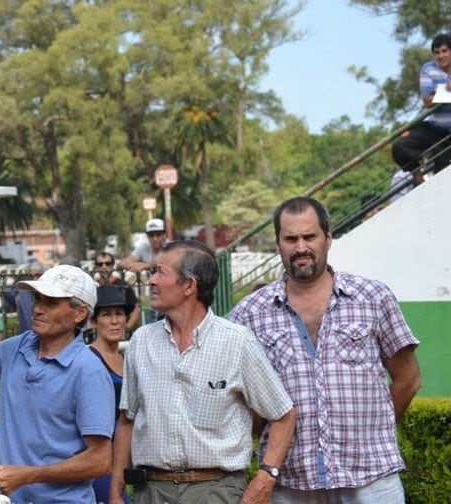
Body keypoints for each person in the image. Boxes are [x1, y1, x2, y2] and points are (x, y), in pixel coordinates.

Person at [230, 196, 422, 503]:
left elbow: (408, 379)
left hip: (372, 478)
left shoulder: (373, 298)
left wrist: (375, 432)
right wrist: (272, 442)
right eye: (290, 238)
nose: (301, 247)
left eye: (310, 236)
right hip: (292, 481)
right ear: (278, 243)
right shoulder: (249, 314)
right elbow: (243, 399)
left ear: (328, 238)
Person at [109, 241, 296, 504]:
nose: (151, 281)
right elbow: (127, 420)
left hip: (217, 491)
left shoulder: (236, 342)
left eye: (161, 272)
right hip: (151, 492)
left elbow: (283, 415)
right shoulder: (141, 342)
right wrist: (116, 493)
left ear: (189, 286)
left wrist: (266, 477)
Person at [0, 265, 115, 503]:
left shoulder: (88, 370)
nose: (38, 309)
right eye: (38, 299)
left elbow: (100, 461)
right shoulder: (16, 347)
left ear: (80, 313)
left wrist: (28, 475)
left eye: (51, 303)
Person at [88, 285, 135, 504]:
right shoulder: (88, 360)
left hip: (128, 462)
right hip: (101, 463)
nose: (115, 321)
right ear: (93, 321)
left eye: (119, 314)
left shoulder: (127, 360)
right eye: (106, 314)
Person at [392, 33, 451, 179]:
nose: (441, 56)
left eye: (444, 51)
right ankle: (418, 180)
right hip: (435, 128)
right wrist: (447, 90)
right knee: (401, 145)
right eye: (437, 52)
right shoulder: (428, 69)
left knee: (442, 169)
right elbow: (427, 102)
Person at [118, 218, 168, 323]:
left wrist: (145, 265)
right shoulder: (144, 248)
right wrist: (137, 265)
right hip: (155, 303)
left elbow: (167, 262)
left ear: (165, 234)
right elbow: (121, 263)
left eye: (158, 235)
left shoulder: (171, 247)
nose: (155, 239)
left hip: (172, 302)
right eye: (151, 235)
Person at [94, 252, 140, 333]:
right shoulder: (93, 286)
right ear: (96, 267)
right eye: (100, 264)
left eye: (108, 264)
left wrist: (126, 329)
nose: (104, 267)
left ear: (112, 266)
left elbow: (136, 310)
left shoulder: (124, 286)